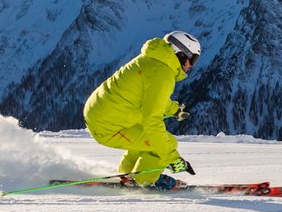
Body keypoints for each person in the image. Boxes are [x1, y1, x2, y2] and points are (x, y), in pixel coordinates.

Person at [82, 31, 201, 190]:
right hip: (108, 125)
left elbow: (150, 95)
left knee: (144, 140)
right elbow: (152, 122)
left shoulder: (151, 61)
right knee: (166, 142)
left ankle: (127, 176)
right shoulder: (163, 74)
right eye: (192, 59)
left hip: (102, 113)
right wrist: (172, 158)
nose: (191, 65)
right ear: (180, 54)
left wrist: (174, 110)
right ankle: (144, 181)